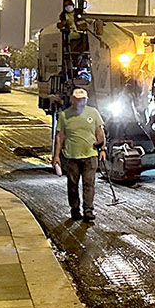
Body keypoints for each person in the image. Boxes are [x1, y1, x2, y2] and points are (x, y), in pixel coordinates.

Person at [52, 86, 106, 222]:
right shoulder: (64, 116)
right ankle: (75, 210)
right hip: (71, 156)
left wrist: (103, 148)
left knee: (89, 184)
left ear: (86, 100)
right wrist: (56, 156)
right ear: (72, 100)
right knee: (72, 184)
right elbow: (59, 136)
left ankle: (88, 210)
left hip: (90, 155)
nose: (79, 102)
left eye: (82, 99)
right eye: (77, 99)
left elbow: (99, 132)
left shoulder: (93, 113)